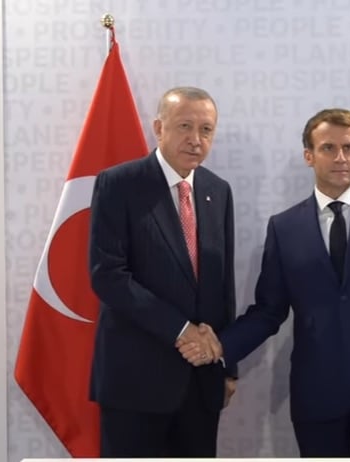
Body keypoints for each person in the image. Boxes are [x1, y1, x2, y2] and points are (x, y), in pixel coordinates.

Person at [179, 108, 350, 457]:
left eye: (349, 147)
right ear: (309, 156)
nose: (340, 157)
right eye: (328, 148)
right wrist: (220, 346)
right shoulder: (284, 227)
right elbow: (268, 311)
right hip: (318, 395)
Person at [88, 86, 237, 457]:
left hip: (201, 381)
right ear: (159, 128)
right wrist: (182, 330)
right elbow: (108, 275)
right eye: (185, 126)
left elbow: (222, 285)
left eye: (206, 129)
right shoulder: (119, 184)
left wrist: (227, 364)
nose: (196, 139)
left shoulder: (218, 191)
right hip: (136, 382)